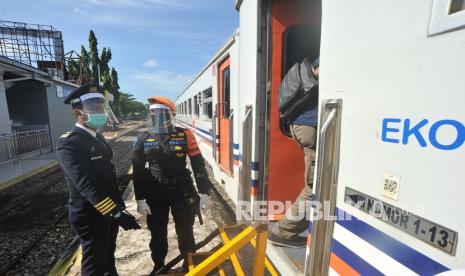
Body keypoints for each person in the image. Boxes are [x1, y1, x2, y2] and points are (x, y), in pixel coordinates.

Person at [56, 83, 140, 276]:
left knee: (108, 255)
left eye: (102, 106)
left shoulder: (98, 139)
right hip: (90, 215)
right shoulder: (69, 143)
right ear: (78, 114)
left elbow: (108, 180)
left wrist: (118, 209)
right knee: (94, 264)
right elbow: (87, 185)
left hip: (108, 211)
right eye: (94, 107)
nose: (101, 111)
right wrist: (115, 213)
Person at [132, 96, 213, 274]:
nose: (157, 117)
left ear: (171, 115)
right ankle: (159, 265)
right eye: (154, 114)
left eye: (162, 114)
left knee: (185, 230)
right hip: (155, 192)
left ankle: (189, 263)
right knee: (157, 232)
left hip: (181, 190)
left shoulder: (185, 135)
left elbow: (198, 163)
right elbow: (137, 170)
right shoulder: (143, 137)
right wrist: (140, 198)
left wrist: (205, 192)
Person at [268, 57, 320, 248]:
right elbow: (321, 72)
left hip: (303, 125)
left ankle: (286, 230)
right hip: (310, 126)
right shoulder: (327, 58)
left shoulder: (307, 64)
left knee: (315, 183)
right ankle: (284, 232)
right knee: (315, 186)